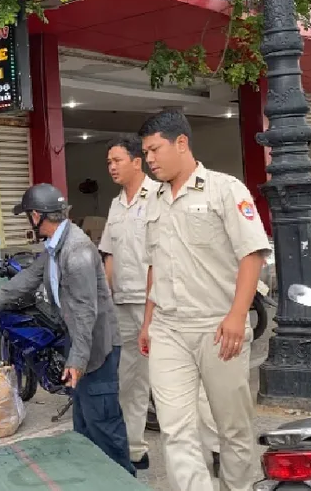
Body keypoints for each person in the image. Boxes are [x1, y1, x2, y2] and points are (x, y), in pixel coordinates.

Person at [138, 110, 271, 491]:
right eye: (145, 153)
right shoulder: (154, 200)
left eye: (155, 150)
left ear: (181, 143)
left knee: (233, 428)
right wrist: (148, 322)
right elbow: (155, 265)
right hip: (168, 329)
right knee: (176, 429)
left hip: (218, 327)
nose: (149, 160)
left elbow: (252, 254)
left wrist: (237, 316)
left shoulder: (225, 190)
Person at [0, 183, 135, 476]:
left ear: (37, 216)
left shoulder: (76, 252)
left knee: (103, 424)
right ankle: (95, 479)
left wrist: (77, 360)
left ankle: (124, 479)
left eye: (28, 215)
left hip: (96, 349)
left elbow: (87, 312)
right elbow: (30, 277)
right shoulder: (54, 247)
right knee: (84, 428)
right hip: (80, 344)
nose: (28, 220)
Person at [99, 136, 223, 475]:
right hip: (125, 304)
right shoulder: (116, 205)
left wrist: (154, 312)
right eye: (108, 162)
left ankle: (214, 448)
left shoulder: (160, 196)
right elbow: (109, 254)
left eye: (117, 160)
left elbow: (167, 255)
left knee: (187, 381)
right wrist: (106, 297)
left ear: (136, 162)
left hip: (161, 304)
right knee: (130, 382)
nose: (112, 167)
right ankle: (134, 451)